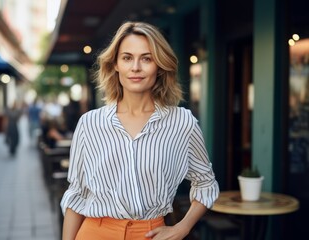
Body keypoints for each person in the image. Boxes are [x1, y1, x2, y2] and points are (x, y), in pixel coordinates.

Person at [60, 21, 219, 240]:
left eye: (147, 58)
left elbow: (206, 182)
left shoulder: (182, 123)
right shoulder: (90, 124)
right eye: (127, 58)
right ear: (115, 64)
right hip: (95, 232)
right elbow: (77, 194)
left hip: (151, 234)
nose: (136, 67)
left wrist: (182, 227)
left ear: (160, 65)